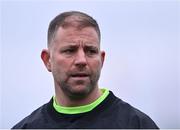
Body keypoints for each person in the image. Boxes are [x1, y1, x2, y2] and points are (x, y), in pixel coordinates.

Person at [12, 11, 159, 129]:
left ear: (102, 60)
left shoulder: (137, 125)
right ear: (47, 60)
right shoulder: (26, 127)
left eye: (91, 51)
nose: (82, 60)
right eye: (70, 50)